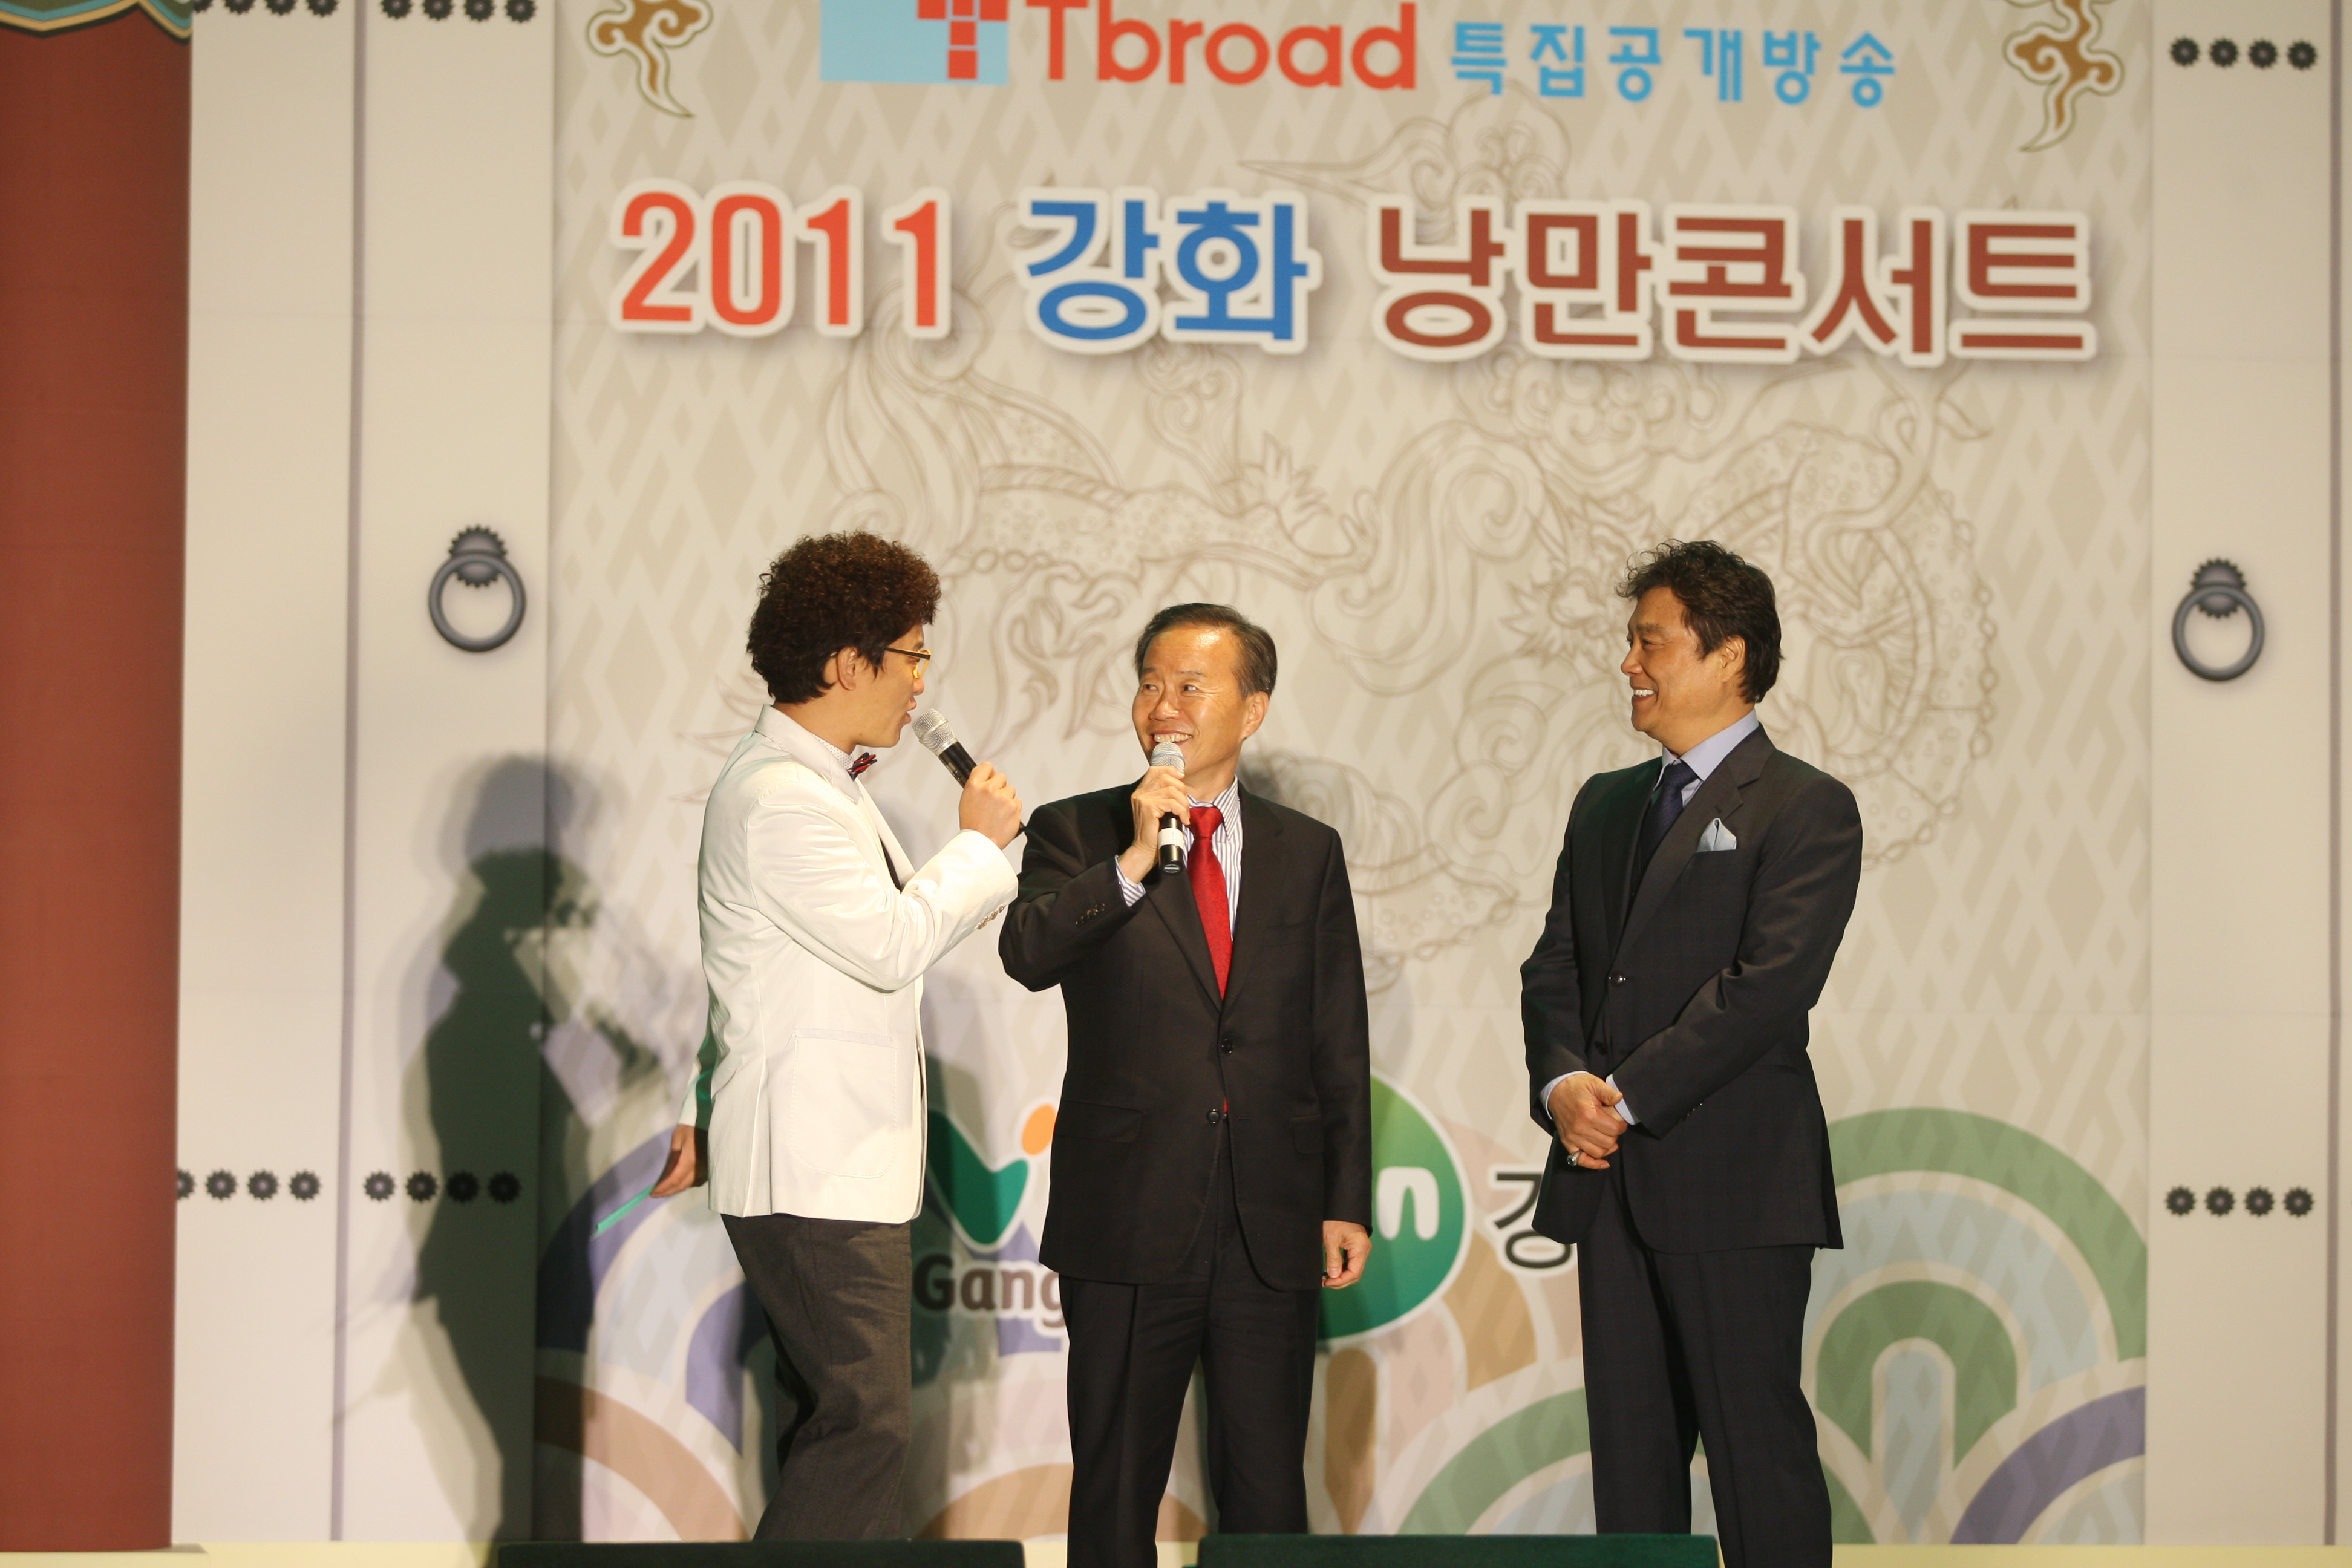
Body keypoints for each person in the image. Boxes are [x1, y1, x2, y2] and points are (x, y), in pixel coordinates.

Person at [648, 531, 1024, 1540]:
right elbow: (891, 945)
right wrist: (978, 848)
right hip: (816, 1168)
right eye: (911, 657)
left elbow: (755, 977)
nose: (921, 682)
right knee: (864, 1423)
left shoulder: (816, 785)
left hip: (828, 1162)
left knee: (837, 1421)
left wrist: (700, 1103)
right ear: (849, 664)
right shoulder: (781, 798)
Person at [998, 604, 1373, 1568]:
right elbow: (1028, 953)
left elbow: (1336, 1036)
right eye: (1150, 683)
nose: (1163, 705)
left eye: (1191, 686)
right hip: (1128, 1211)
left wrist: (1344, 1197)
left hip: (1268, 1216)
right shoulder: (1076, 828)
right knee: (1116, 1481)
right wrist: (1132, 861)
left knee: (1266, 1488)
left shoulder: (1306, 851)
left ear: (1252, 711)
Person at [1519, 540, 1861, 1568]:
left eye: (1652, 642)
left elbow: (1768, 989)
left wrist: (1622, 1097)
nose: (1629, 663)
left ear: (1729, 655)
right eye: (1632, 643)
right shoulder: (1604, 801)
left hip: (1736, 1184)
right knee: (1632, 1474)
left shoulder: (1804, 805)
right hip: (1608, 1181)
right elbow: (1557, 964)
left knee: (1758, 1458)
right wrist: (1565, 1086)